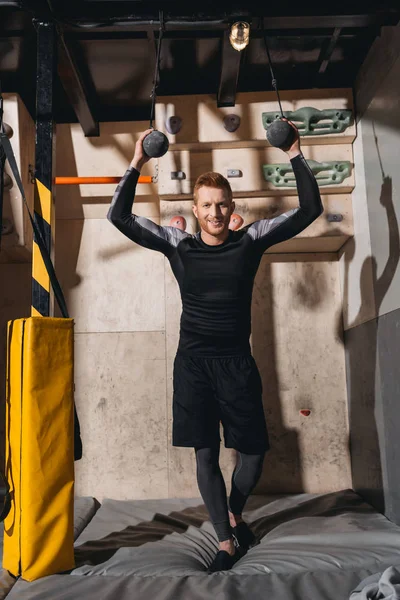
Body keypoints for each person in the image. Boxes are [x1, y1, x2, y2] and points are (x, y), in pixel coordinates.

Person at [107, 120, 323, 573]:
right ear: (195, 206)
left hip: (236, 363)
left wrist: (296, 151)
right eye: (207, 205)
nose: (215, 213)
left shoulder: (251, 240)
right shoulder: (177, 244)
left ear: (231, 206)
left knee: (254, 452)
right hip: (193, 366)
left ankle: (234, 512)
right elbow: (120, 218)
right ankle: (225, 542)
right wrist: (137, 161)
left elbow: (307, 209)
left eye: (222, 205)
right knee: (205, 452)